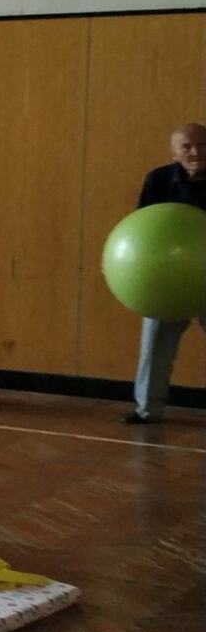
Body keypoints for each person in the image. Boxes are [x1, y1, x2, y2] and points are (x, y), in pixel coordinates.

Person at [125, 122, 206, 425]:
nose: (195, 151)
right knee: (155, 343)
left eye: (202, 145)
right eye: (187, 146)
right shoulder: (158, 180)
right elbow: (142, 227)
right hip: (165, 281)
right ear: (174, 153)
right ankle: (148, 409)